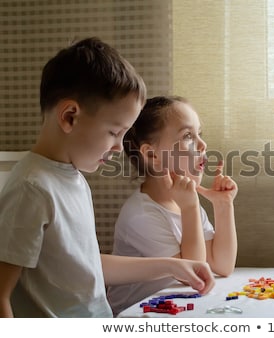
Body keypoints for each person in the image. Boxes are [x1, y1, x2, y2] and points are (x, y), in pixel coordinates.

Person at [0, 38, 214, 318]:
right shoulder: (32, 188)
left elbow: (85, 265)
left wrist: (171, 266)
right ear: (69, 117)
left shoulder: (73, 178)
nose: (118, 147)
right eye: (114, 132)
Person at [107, 96, 238, 315]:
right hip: (134, 316)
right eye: (188, 135)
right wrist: (190, 207)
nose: (203, 144)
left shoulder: (183, 201)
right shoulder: (142, 215)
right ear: (153, 155)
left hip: (172, 309)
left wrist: (223, 206)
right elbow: (194, 275)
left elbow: (222, 265)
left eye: (199, 134)